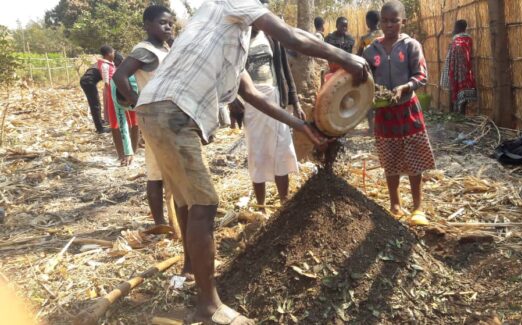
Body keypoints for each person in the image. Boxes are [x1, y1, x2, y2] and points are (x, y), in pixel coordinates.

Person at [134, 0, 369, 323]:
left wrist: (300, 125)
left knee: (189, 202)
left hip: (154, 108)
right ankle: (209, 307)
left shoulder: (226, 34)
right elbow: (292, 36)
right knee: (205, 204)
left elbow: (253, 94)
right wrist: (347, 57)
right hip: (172, 108)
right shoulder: (233, 3)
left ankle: (194, 275)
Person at [363, 1, 435, 226]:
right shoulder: (370, 50)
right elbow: (364, 80)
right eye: (385, 20)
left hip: (407, 110)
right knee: (389, 157)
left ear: (403, 21)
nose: (389, 24)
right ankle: (394, 203)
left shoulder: (411, 46)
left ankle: (417, 207)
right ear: (380, 22)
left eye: (395, 20)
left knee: (414, 157)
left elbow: (421, 76)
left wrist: (405, 87)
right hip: (384, 113)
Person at [113, 6, 177, 244]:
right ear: (147, 25)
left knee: (172, 169)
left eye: (171, 23)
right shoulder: (145, 50)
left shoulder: (166, 48)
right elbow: (119, 77)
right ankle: (160, 223)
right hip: (155, 119)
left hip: (170, 117)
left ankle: (174, 220)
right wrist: (137, 101)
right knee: (156, 172)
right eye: (162, 23)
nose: (168, 27)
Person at [231, 5, 305, 211]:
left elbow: (284, 71)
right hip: (251, 105)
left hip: (274, 97)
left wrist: (295, 101)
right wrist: (231, 101)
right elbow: (226, 74)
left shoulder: (271, 37)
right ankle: (261, 206)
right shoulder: (236, 39)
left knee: (282, 148)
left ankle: (284, 203)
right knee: (257, 152)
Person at [441, 19, 477, 114]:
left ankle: (456, 112)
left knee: (455, 87)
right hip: (466, 68)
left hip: (454, 68)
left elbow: (450, 55)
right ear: (465, 28)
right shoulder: (469, 39)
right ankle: (462, 112)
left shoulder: (455, 39)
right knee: (464, 88)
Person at [79, 64, 107, 133]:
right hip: (88, 82)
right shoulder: (108, 65)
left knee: (95, 104)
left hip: (86, 81)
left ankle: (100, 121)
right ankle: (100, 129)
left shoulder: (101, 63)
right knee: (95, 105)